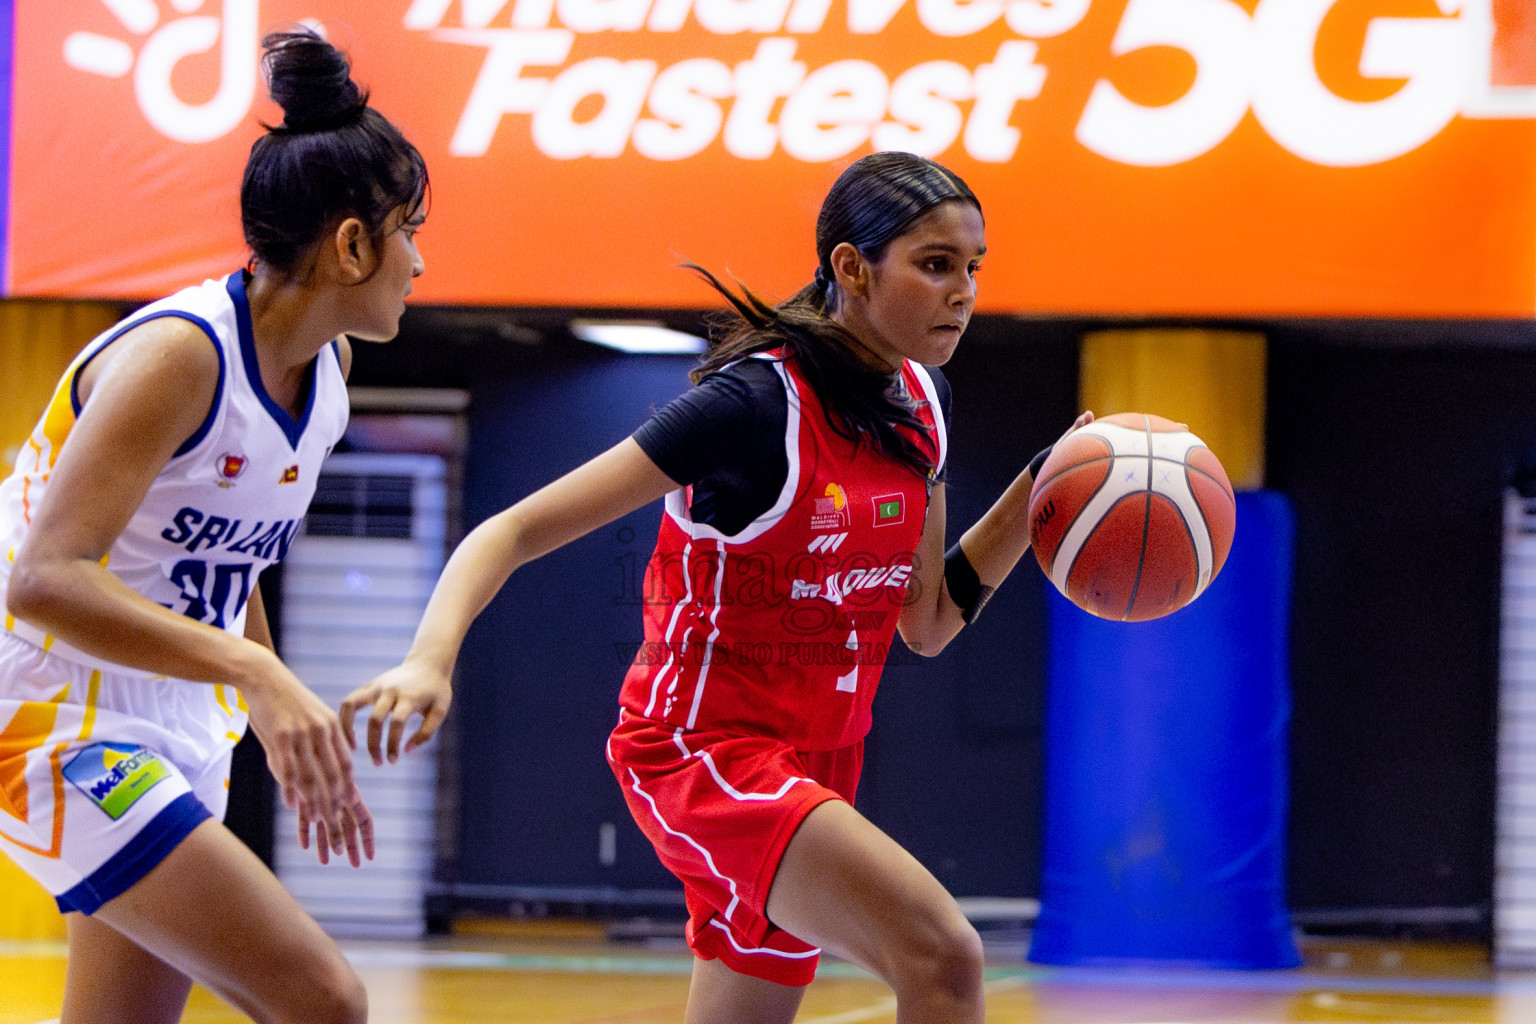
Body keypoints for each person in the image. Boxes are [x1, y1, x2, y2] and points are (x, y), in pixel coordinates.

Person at [342, 151, 1085, 1024]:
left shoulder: (924, 402)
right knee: (945, 956)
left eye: (972, 269)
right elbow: (508, 530)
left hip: (818, 757)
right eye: (934, 265)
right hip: (702, 751)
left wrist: (1039, 492)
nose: (963, 291)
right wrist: (430, 660)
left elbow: (924, 622)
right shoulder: (752, 407)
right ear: (850, 267)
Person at [0, 28, 426, 1024]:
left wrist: (264, 709)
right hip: (47, 715)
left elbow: (230, 569)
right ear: (352, 244)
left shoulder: (328, 379)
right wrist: (259, 675)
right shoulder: (180, 354)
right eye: (408, 228)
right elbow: (45, 577)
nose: (419, 260)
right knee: (325, 998)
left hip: (176, 720)